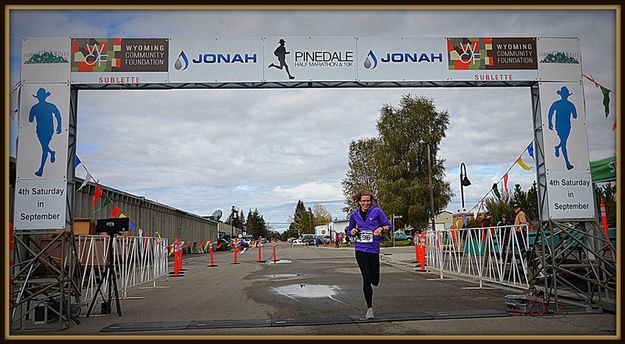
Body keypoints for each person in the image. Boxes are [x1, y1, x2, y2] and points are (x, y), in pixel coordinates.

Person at [348, 190, 391, 319]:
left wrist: (380, 229)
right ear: (359, 202)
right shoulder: (354, 214)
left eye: (368, 201)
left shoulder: (377, 211)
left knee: (375, 280)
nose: (365, 203)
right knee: (366, 278)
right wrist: (353, 231)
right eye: (363, 201)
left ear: (370, 201)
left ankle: (373, 280)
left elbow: (389, 226)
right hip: (360, 250)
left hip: (373, 250)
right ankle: (369, 309)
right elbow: (349, 230)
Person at [29, 87, 62, 177]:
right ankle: (51, 152)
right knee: (44, 146)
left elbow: (58, 115)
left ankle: (41, 170)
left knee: (44, 148)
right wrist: (59, 125)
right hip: (40, 130)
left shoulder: (44, 106)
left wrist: (60, 126)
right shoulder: (35, 107)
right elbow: (30, 119)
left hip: (48, 129)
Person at [548, 86, 577, 170]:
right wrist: (549, 122)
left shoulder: (570, 105)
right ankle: (567, 163)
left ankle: (557, 147)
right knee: (564, 143)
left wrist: (572, 112)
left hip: (567, 125)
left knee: (564, 142)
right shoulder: (557, 103)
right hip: (559, 125)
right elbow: (550, 113)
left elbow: (575, 116)